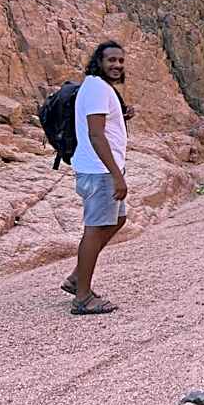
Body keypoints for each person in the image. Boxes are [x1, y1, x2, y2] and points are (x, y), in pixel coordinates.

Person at [64, 41, 135, 316]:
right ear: (99, 61)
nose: (117, 65)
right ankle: (82, 298)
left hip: (102, 169)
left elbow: (103, 125)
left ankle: (76, 279)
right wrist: (117, 176)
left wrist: (123, 115)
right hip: (100, 171)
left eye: (120, 61)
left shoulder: (99, 88)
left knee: (117, 220)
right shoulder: (95, 87)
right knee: (93, 230)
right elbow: (96, 134)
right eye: (111, 60)